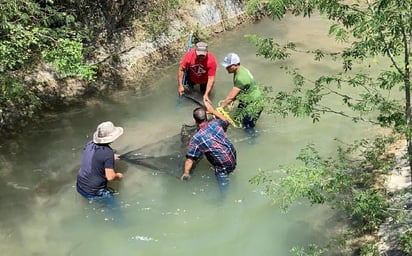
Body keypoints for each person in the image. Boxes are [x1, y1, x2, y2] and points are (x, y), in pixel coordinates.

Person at [181, 100, 237, 193]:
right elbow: (226, 121)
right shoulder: (216, 123)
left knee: (222, 183)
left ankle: (222, 198)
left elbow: (190, 159)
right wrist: (213, 111)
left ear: (195, 120)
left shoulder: (196, 138)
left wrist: (186, 173)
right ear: (207, 116)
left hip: (222, 164)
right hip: (232, 155)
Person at [76, 121, 124, 204]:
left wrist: (110, 158)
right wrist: (119, 176)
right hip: (95, 193)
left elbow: (93, 158)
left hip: (80, 186)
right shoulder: (108, 153)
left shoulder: (89, 144)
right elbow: (110, 177)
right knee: (117, 213)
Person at [219, 53, 264, 129]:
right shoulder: (241, 70)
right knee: (237, 117)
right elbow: (242, 89)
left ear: (235, 65)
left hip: (253, 105)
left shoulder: (240, 78)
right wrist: (234, 99)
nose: (226, 68)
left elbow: (230, 97)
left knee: (247, 127)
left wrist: (221, 108)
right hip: (248, 100)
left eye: (228, 66)